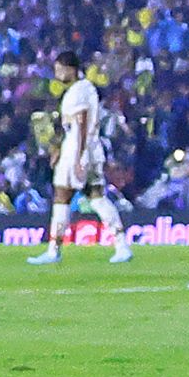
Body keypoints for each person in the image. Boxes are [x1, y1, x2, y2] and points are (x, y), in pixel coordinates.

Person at [27, 51, 133, 266]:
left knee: (62, 196)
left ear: (70, 69)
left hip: (79, 149)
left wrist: (77, 157)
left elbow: (82, 123)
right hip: (87, 149)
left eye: (59, 69)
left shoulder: (79, 91)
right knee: (97, 198)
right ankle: (122, 246)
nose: (56, 74)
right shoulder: (82, 90)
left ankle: (53, 249)